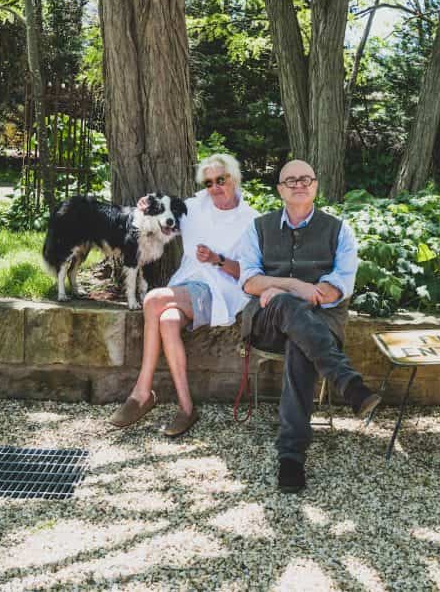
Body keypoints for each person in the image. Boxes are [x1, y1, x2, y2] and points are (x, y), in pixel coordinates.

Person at [231, 160, 380, 493]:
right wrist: (294, 286)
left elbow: (337, 286)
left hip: (320, 321)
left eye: (306, 179)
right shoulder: (258, 228)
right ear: (280, 189)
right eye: (290, 180)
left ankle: (291, 458)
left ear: (315, 185)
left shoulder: (339, 230)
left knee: (300, 340)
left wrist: (279, 288)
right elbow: (249, 281)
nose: (299, 184)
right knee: (286, 304)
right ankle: (347, 382)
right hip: (266, 322)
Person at [108, 153, 259, 437]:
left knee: (153, 299)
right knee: (166, 319)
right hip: (187, 285)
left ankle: (142, 392)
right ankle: (187, 408)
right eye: (209, 182)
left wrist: (217, 259)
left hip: (219, 291)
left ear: (234, 179)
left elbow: (249, 274)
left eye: (221, 180)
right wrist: (145, 204)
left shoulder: (250, 220)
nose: (214, 188)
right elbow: (162, 211)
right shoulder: (194, 207)